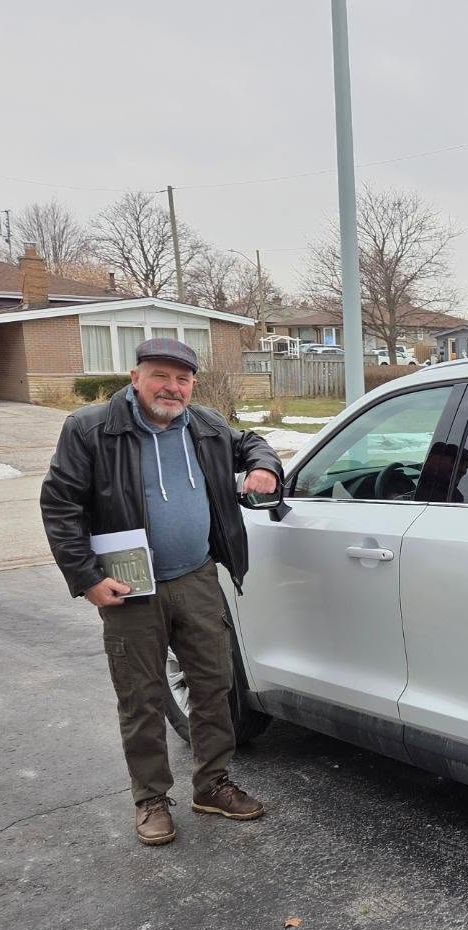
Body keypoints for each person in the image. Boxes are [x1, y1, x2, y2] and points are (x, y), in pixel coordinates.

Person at [40, 339, 282, 846]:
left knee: (214, 685)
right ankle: (150, 797)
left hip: (196, 576)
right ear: (136, 377)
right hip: (130, 586)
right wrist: (85, 576)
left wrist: (264, 465)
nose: (172, 388)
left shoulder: (207, 425)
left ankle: (212, 785)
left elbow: (251, 441)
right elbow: (60, 504)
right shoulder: (91, 429)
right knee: (141, 696)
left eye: (183, 379)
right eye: (161, 376)